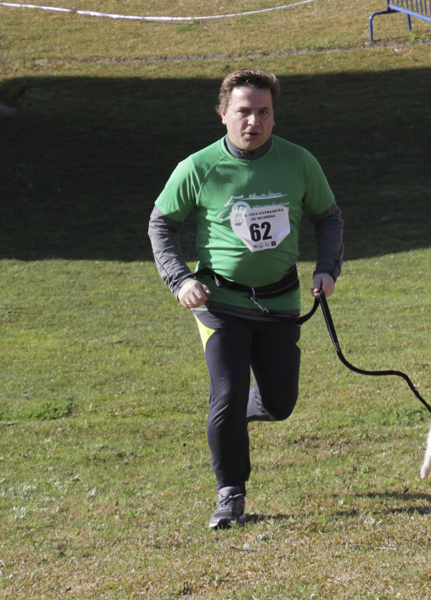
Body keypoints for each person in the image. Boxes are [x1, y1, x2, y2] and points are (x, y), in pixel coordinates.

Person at [148, 69, 344, 529]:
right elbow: (161, 225)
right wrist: (179, 280)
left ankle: (239, 414)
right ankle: (230, 495)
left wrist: (327, 269)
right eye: (243, 111)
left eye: (263, 112)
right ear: (223, 115)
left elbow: (329, 218)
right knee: (227, 395)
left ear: (274, 117)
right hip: (219, 304)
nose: (252, 121)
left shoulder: (299, 163)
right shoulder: (197, 168)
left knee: (279, 404)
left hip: (280, 303)